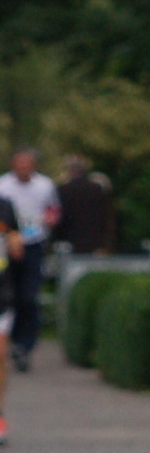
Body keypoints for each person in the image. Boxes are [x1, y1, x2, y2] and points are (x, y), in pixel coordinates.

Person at [0, 148, 60, 372]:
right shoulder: (3, 186)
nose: (23, 168)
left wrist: (50, 220)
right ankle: (11, 339)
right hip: (7, 246)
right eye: (20, 163)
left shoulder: (45, 186)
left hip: (34, 243)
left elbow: (54, 209)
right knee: (9, 296)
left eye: (28, 164)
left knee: (29, 296)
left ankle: (25, 344)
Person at [55, 155, 116, 255]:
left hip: (70, 243)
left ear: (69, 170)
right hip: (96, 243)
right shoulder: (98, 190)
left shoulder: (63, 190)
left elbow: (60, 219)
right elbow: (106, 218)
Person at [0, 194, 19, 444]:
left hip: (1, 293)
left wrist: (17, 243)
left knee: (0, 355)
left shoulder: (4, 205)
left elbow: (16, 237)